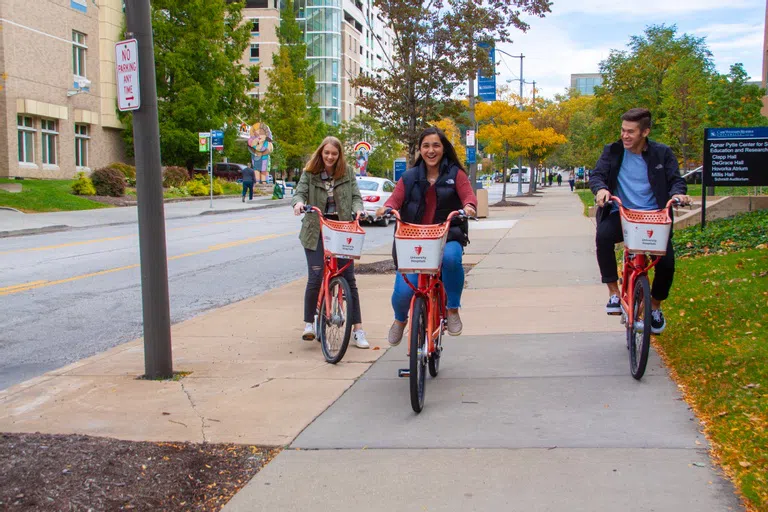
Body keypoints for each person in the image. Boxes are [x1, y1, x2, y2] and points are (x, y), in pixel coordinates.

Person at [590, 108, 691, 334]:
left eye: (631, 132)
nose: (625, 136)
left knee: (666, 264)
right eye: (623, 130)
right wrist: (601, 189)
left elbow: (676, 181)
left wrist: (678, 195)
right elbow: (597, 175)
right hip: (622, 214)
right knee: (603, 236)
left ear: (645, 132)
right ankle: (614, 293)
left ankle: (654, 307)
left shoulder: (662, 153)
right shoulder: (613, 151)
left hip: (654, 217)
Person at [375, 127, 477, 346]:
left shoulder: (456, 175)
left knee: (451, 259)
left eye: (436, 145)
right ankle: (400, 321)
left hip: (447, 235)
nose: (431, 150)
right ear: (420, 150)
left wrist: (469, 206)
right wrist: (386, 207)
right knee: (404, 291)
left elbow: (468, 196)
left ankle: (452, 309)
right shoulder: (410, 176)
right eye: (426, 146)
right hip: (414, 239)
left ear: (444, 148)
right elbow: (395, 198)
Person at [292, 136, 370, 349]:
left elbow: (356, 196)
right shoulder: (310, 174)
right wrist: (299, 203)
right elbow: (299, 192)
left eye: (334, 154)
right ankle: (309, 323)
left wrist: (358, 209)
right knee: (316, 276)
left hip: (342, 229)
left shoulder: (347, 172)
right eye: (326, 153)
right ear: (321, 152)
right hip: (315, 229)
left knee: (348, 278)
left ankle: (358, 330)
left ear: (339, 155)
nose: (330, 156)